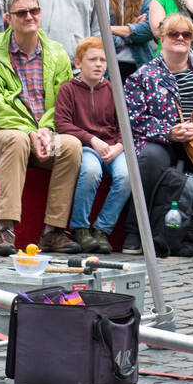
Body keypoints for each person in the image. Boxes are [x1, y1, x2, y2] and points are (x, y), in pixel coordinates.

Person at [121, 11, 193, 254]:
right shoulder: (142, 76)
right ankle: (136, 231)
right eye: (173, 33)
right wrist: (169, 132)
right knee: (150, 160)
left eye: (186, 34)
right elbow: (134, 118)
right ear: (161, 39)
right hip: (163, 141)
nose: (180, 38)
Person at [0, 0, 82, 255]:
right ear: (8, 18)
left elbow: (62, 102)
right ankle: (4, 229)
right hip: (1, 136)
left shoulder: (57, 53)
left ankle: (53, 231)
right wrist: (30, 132)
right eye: (21, 12)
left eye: (34, 11)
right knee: (16, 140)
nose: (29, 16)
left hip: (44, 138)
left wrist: (46, 131)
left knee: (71, 145)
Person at [55, 37, 131, 254]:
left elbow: (124, 125)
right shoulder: (68, 90)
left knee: (127, 176)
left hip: (113, 147)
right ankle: (80, 228)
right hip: (85, 146)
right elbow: (63, 124)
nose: (99, 64)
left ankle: (102, 229)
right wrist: (91, 140)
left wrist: (118, 146)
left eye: (103, 60)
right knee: (90, 171)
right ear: (78, 63)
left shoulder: (113, 89)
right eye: (93, 59)